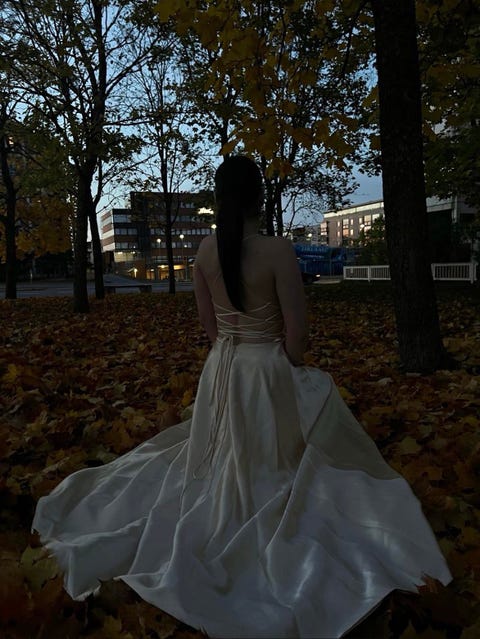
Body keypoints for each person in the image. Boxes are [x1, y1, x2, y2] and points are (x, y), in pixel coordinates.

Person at [33, 155, 452, 638]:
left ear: (220, 199)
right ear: (259, 197)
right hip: (265, 367)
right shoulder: (277, 251)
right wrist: (285, 363)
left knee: (222, 451)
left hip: (223, 366)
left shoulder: (205, 250)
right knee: (301, 424)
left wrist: (230, 353)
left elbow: (208, 323)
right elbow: (297, 333)